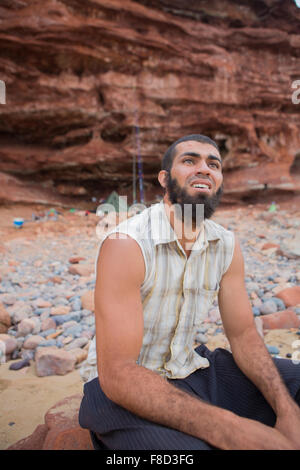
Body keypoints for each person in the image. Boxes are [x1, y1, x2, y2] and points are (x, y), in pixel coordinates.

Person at [79, 134, 300, 450]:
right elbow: (118, 373)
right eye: (189, 160)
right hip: (123, 389)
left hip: (192, 369)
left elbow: (243, 335)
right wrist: (229, 429)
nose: (204, 169)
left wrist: (286, 408)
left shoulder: (226, 245)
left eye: (213, 164)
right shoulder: (127, 244)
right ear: (165, 178)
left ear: (219, 179)